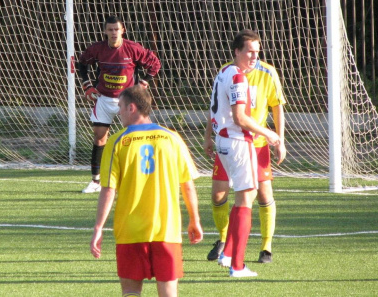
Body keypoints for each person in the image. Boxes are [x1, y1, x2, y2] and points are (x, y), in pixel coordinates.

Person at [90, 85, 203, 296]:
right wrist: (194, 220)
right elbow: (187, 184)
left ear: (132, 108)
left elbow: (108, 189)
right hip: (167, 230)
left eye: (121, 107)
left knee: (131, 292)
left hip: (130, 231)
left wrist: (98, 227)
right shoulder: (172, 138)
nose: (119, 112)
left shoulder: (117, 142)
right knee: (169, 292)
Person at [204, 30, 286, 265]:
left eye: (257, 52)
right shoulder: (228, 73)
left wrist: (279, 138)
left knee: (260, 195)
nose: (254, 56)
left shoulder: (267, 72)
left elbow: (277, 106)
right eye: (250, 51)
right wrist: (207, 136)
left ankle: (265, 247)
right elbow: (217, 108)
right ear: (236, 52)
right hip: (233, 142)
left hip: (255, 143)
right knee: (220, 195)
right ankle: (225, 245)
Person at [77, 15, 161, 193]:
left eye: (117, 29)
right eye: (110, 30)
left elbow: (155, 64)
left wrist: (144, 82)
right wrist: (87, 86)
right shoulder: (97, 49)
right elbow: (82, 64)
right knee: (99, 137)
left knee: (136, 136)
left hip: (128, 99)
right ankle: (96, 181)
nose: (114, 33)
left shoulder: (133, 49)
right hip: (104, 99)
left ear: (123, 30)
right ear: (105, 31)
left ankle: (140, 175)